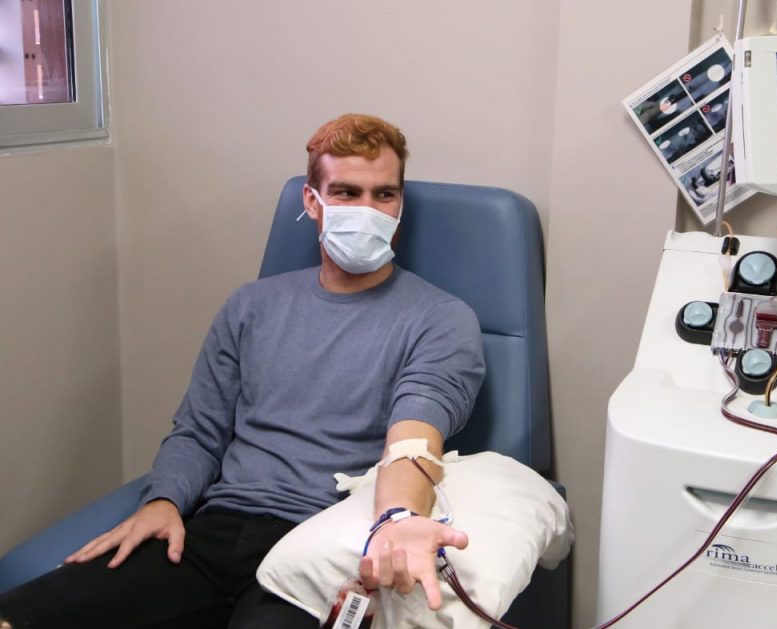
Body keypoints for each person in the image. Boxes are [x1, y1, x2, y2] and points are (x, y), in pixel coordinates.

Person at [0, 113, 486, 629]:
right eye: (346, 192)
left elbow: (414, 441)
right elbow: (199, 430)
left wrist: (397, 517)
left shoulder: (440, 318)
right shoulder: (252, 306)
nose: (367, 210)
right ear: (312, 201)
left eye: (383, 195)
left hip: (318, 543)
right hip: (211, 530)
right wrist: (163, 500)